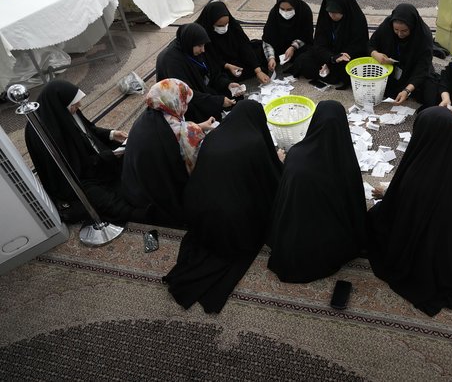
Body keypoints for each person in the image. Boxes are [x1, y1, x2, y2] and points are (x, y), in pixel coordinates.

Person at [366, 107, 452, 317]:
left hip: (434, 244)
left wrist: (390, 193)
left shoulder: (418, 180)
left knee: (378, 221)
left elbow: (402, 209)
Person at [164, 100, 283, 314]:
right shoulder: (254, 140)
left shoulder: (215, 136)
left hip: (196, 208)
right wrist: (279, 160)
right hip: (230, 219)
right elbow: (270, 180)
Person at [267, 100, 366, 283]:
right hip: (330, 242)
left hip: (294, 238)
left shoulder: (296, 154)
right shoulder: (346, 161)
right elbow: (354, 203)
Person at [24, 79, 144, 223]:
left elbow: (87, 130)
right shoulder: (42, 132)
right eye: (74, 104)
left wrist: (110, 134)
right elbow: (71, 169)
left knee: (136, 154)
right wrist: (110, 156)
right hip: (75, 178)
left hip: (92, 159)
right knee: (103, 199)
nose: (79, 106)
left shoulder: (63, 110)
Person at [121, 79, 213, 227]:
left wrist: (200, 126)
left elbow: (177, 129)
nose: (186, 106)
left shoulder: (150, 115)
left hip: (134, 185)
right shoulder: (183, 133)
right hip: (158, 196)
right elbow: (198, 163)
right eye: (185, 101)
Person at [156, 23, 239, 123]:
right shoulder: (172, 61)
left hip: (198, 88)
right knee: (203, 115)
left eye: (203, 45)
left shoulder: (191, 49)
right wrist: (218, 101)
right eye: (200, 46)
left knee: (233, 95)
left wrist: (228, 84)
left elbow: (211, 72)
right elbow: (186, 93)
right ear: (190, 42)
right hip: (181, 99)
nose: (203, 50)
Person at [291, 0, 369, 88]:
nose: (332, 15)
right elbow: (319, 44)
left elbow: (359, 46)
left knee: (351, 72)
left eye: (336, 12)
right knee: (303, 61)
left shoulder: (357, 20)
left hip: (347, 57)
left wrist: (339, 58)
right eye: (330, 11)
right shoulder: (326, 18)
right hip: (329, 55)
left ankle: (331, 74)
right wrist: (330, 58)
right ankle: (330, 73)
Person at [369, 3, 438, 106]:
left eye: (404, 31)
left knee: (430, 94)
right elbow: (371, 44)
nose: (400, 34)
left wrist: (407, 90)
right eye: (396, 30)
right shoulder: (388, 24)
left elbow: (422, 67)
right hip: (390, 66)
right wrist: (376, 54)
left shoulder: (423, 35)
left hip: (412, 70)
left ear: (412, 26)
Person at [196, 1, 271, 84]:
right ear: (211, 22)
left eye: (226, 24)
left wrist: (258, 71)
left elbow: (244, 45)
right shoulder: (203, 32)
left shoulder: (233, 25)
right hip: (218, 63)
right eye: (220, 26)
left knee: (258, 54)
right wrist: (227, 65)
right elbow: (208, 56)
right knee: (218, 78)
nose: (224, 28)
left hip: (235, 58)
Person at [261, 0, 314, 74]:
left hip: (299, 47)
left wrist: (293, 47)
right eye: (282, 9)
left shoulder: (304, 11)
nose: (285, 12)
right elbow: (268, 38)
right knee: (256, 54)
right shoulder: (274, 13)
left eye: (289, 9)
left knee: (309, 58)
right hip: (279, 46)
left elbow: (306, 35)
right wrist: (271, 58)